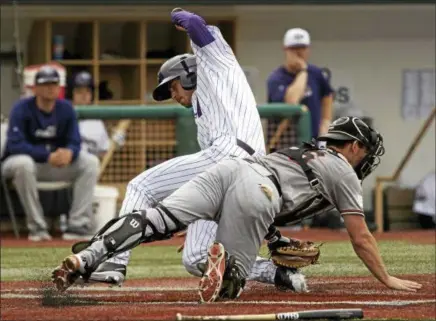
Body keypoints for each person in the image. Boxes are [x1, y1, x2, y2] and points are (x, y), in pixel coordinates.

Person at [52, 9, 305, 292]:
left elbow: (196, 24)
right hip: (238, 170)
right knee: (196, 258)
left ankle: (113, 263)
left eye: (172, 86)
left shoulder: (214, 65)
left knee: (142, 186)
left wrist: (176, 14)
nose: (171, 95)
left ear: (187, 75)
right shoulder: (203, 114)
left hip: (231, 155)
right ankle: (279, 274)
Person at [52, 116, 423, 303]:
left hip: (234, 169)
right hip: (261, 189)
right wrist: (386, 279)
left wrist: (273, 236)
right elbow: (361, 237)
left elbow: (254, 200)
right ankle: (225, 265)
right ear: (354, 147)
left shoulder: (307, 152)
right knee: (231, 286)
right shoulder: (344, 171)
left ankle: (89, 257)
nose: (368, 157)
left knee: (159, 220)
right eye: (367, 149)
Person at [1, 65, 100, 241]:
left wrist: (70, 152)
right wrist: (47, 156)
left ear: (59, 87)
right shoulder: (21, 108)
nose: (50, 88)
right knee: (23, 163)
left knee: (90, 162)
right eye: (45, 84)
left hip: (54, 164)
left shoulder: (66, 108)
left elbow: (75, 141)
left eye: (54, 84)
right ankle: (37, 227)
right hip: (22, 165)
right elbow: (15, 145)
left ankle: (78, 225)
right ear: (35, 88)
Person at [267, 28, 334, 138]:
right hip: (286, 143)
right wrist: (303, 70)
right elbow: (292, 102)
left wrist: (326, 122)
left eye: (303, 48)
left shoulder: (316, 73)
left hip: (312, 142)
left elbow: (327, 95)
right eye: (293, 48)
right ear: (285, 50)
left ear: (308, 49)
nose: (299, 52)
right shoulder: (276, 78)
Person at [69, 71, 111, 157]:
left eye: (87, 91)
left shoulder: (96, 120)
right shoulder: (64, 115)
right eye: (79, 91)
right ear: (71, 94)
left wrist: (113, 144)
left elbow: (103, 152)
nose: (84, 95)